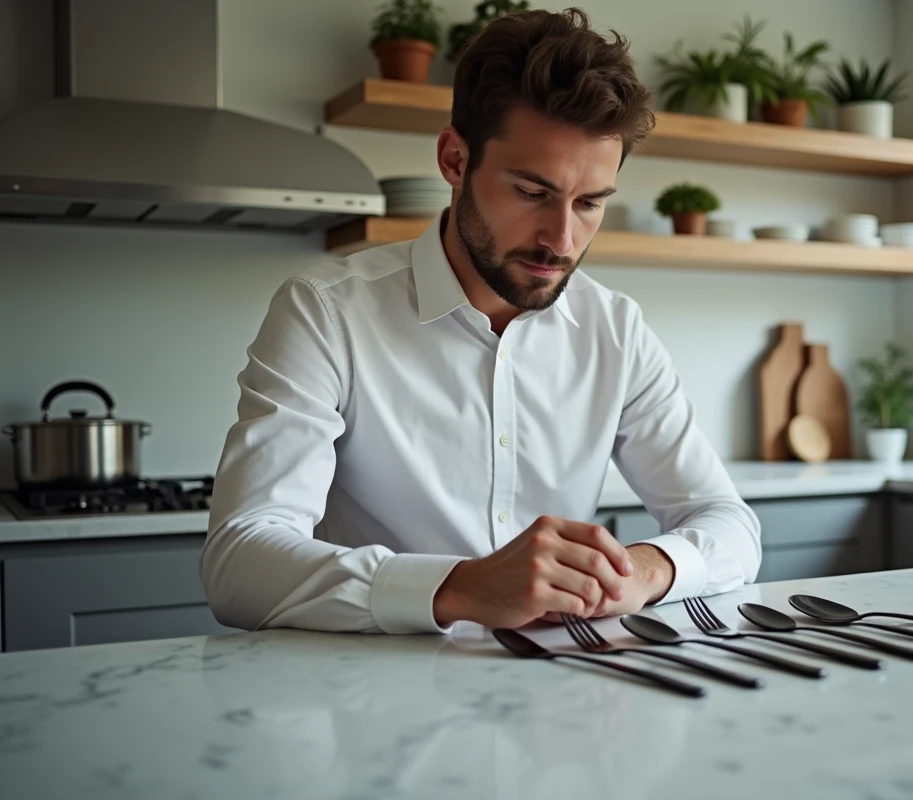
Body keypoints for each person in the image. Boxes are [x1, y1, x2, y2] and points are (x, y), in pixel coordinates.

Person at [199, 7, 761, 636]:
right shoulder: (326, 312)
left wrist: (645, 569)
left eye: (590, 203)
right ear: (454, 160)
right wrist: (460, 587)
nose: (561, 238)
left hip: (558, 698)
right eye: (531, 192)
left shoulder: (616, 331)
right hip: (369, 702)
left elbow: (728, 524)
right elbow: (239, 561)